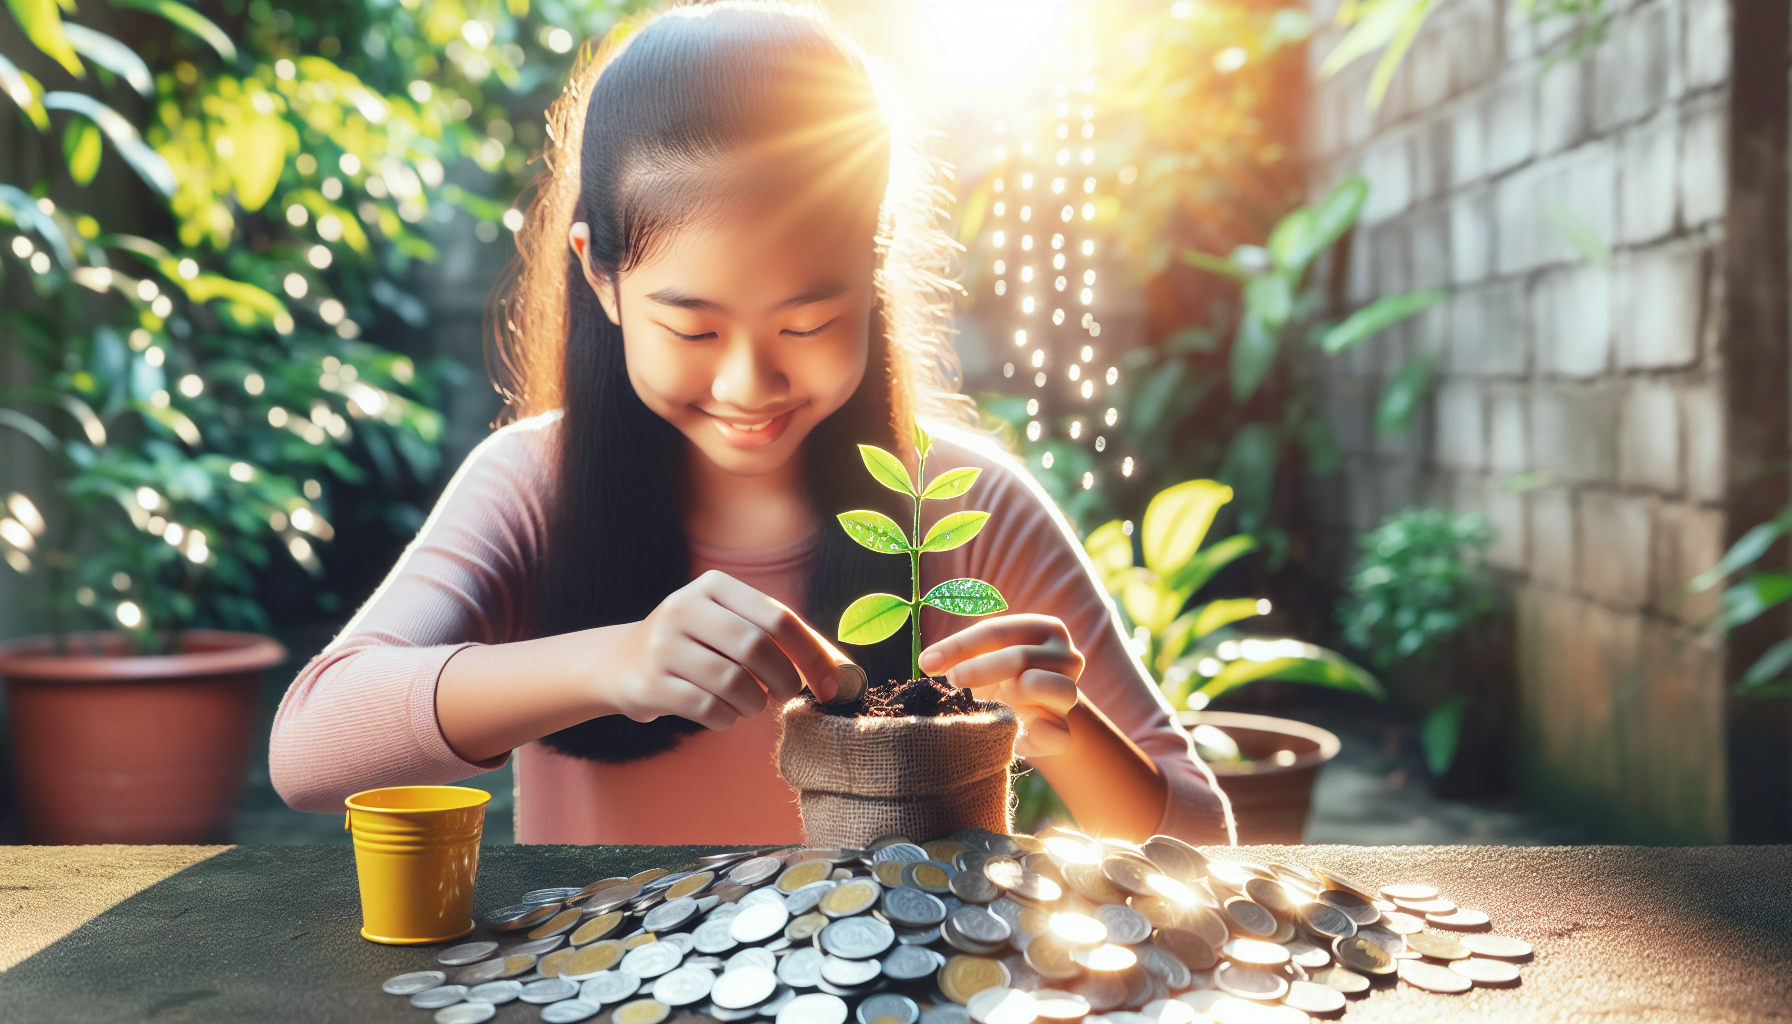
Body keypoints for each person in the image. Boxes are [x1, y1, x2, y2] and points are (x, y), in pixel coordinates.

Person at [270, 0, 1232, 846]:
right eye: (690, 326)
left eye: (807, 323)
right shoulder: (533, 486)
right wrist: (613, 661)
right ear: (601, 276)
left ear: (873, 269)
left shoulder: (963, 505)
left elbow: (1203, 833)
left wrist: (1061, 727)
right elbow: (310, 750)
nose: (748, 380)